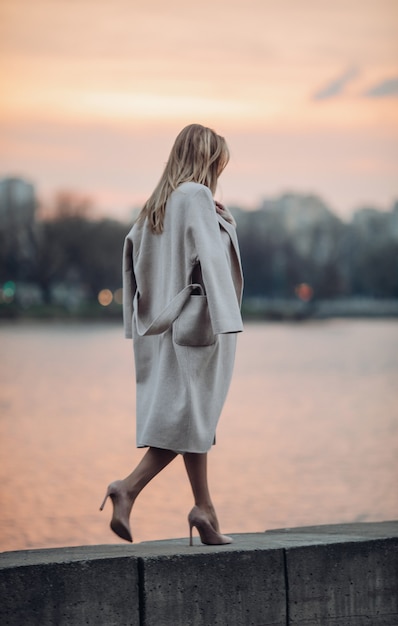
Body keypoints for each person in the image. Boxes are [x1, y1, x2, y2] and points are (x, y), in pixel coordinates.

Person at [100, 123, 244, 546]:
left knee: (192, 417)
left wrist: (134, 324)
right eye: (219, 161)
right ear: (208, 159)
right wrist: (227, 321)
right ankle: (127, 488)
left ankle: (205, 509)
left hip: (161, 328)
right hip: (201, 324)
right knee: (191, 418)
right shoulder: (196, 197)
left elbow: (130, 260)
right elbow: (214, 263)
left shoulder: (154, 207)